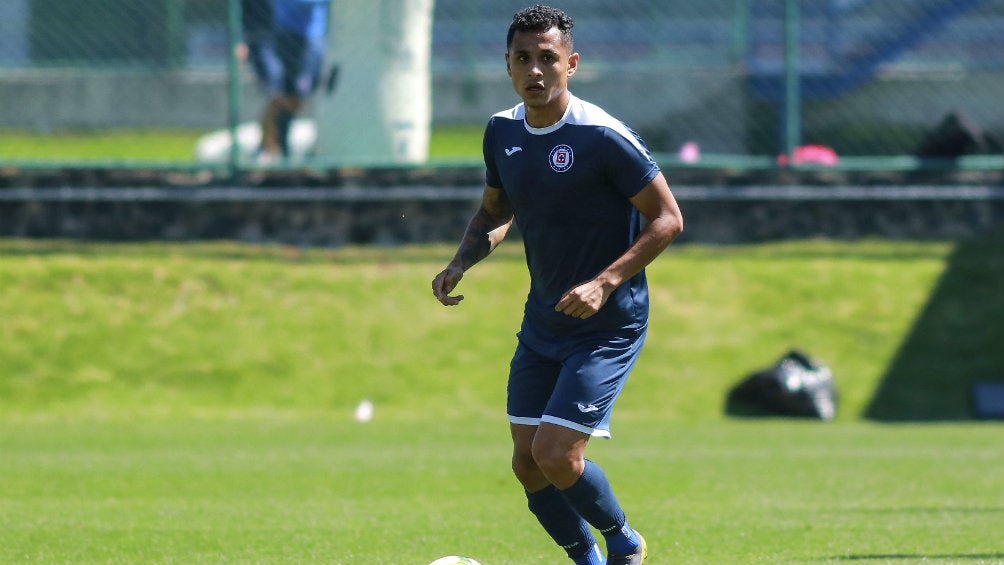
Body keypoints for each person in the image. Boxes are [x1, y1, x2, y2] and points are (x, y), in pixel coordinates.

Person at [431, 5, 683, 565]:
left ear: (572, 63)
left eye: (548, 58)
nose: (535, 71)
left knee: (556, 454)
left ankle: (623, 541)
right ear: (508, 65)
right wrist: (460, 263)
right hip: (544, 319)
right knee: (527, 463)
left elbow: (668, 218)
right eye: (523, 59)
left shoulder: (601, 136)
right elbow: (496, 212)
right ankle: (587, 561)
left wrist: (606, 281)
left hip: (607, 323)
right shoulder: (501, 132)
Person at [240, 0, 329, 162]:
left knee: (296, 99)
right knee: (281, 95)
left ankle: (277, 146)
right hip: (288, 35)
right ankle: (268, 147)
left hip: (316, 37)